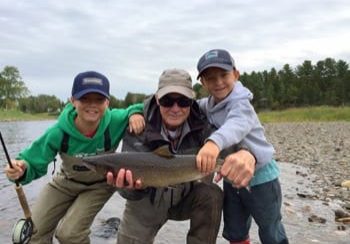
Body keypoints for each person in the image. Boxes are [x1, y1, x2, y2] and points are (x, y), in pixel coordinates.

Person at [107, 68, 255, 244]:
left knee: (212, 194)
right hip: (146, 203)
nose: (175, 108)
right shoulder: (138, 127)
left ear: (192, 100)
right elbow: (128, 192)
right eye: (168, 101)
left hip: (187, 198)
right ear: (157, 99)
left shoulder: (203, 124)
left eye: (183, 101)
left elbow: (231, 147)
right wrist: (128, 188)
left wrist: (246, 153)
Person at [4, 71, 144, 244]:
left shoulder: (115, 120)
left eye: (99, 100)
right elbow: (32, 161)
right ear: (72, 100)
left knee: (69, 234)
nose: (92, 105)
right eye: (85, 99)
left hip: (100, 185)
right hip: (65, 183)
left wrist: (135, 114)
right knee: (34, 232)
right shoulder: (58, 132)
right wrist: (21, 169)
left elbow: (142, 107)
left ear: (107, 102)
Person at [195, 49, 289, 244]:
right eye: (211, 78)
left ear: (236, 75)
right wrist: (139, 111)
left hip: (262, 179)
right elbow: (192, 106)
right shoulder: (209, 103)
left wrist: (213, 143)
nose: (219, 82)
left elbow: (235, 125)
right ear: (203, 83)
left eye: (224, 75)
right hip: (231, 179)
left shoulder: (241, 103)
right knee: (235, 229)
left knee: (270, 229)